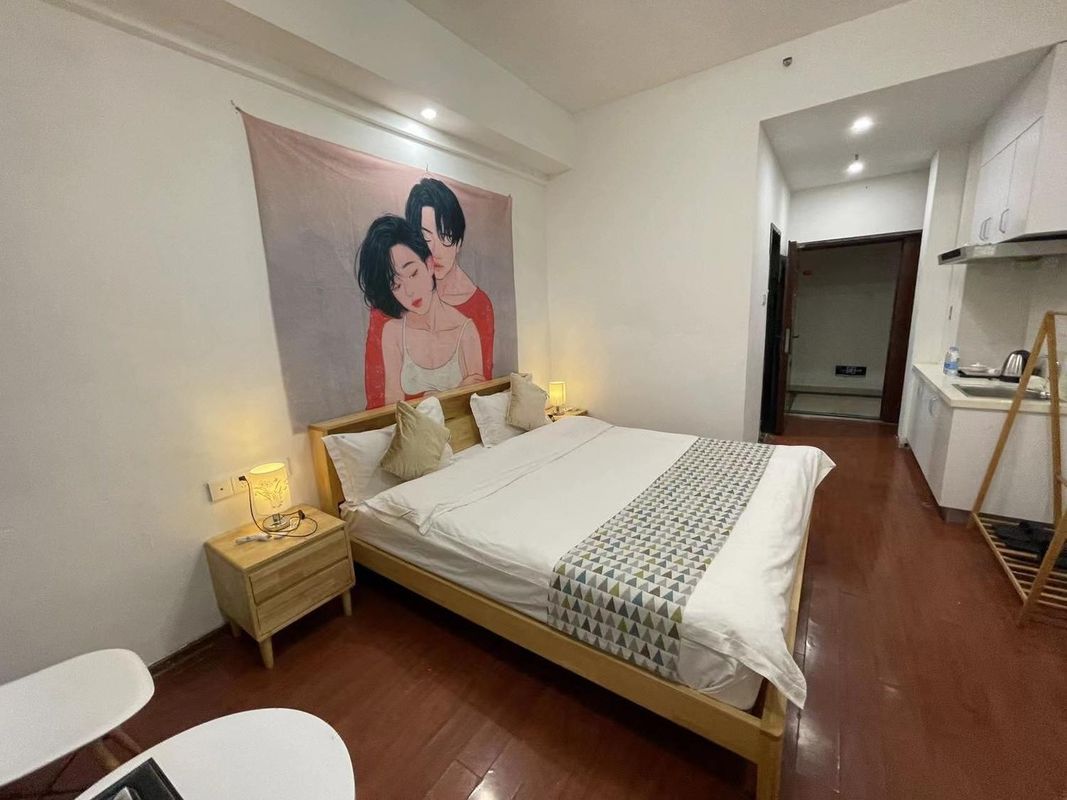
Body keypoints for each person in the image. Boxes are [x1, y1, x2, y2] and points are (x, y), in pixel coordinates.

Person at [357, 215, 484, 405]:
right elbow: (394, 408)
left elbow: (477, 404)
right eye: (396, 286)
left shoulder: (466, 331)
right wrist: (447, 395)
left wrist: (433, 398)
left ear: (429, 264)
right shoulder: (393, 333)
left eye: (413, 273)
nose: (409, 291)